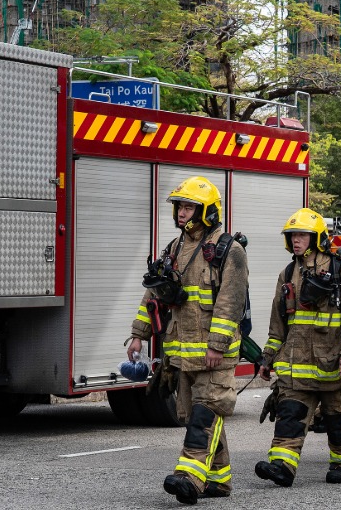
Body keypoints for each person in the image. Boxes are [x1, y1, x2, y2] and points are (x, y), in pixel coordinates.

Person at [126, 176, 248, 504]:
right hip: (182, 352)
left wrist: (217, 345)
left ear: (206, 210)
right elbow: (154, 295)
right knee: (194, 414)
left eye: (189, 206)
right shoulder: (175, 249)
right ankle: (219, 480)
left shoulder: (228, 250)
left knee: (207, 411)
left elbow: (230, 302)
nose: (181, 212)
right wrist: (138, 336)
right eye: (179, 206)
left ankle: (189, 477)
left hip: (214, 353)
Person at [254, 208, 341, 487]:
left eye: (302, 235)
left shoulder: (338, 270)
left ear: (316, 237)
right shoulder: (287, 273)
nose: (296, 240)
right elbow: (278, 323)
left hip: (333, 366)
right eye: (292, 235)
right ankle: (282, 466)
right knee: (289, 416)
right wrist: (267, 357)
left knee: (337, 421)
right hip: (296, 367)